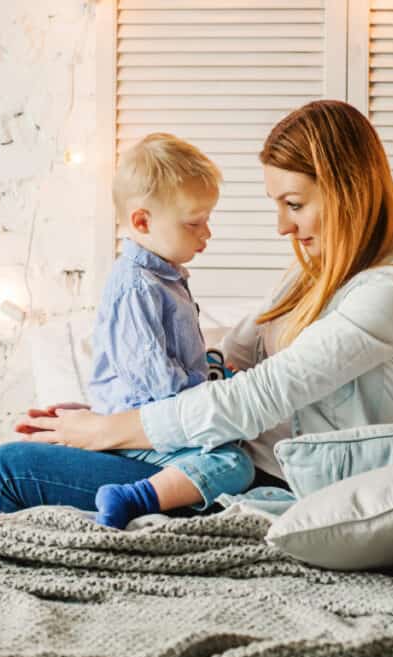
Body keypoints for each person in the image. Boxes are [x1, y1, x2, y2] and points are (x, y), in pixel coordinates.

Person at [0, 99, 393, 519]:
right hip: (215, 450)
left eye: (294, 204)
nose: (282, 227)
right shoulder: (319, 268)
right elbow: (227, 357)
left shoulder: (390, 293)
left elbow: (257, 395)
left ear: (347, 191)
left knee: (3, 470)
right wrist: (113, 408)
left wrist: (108, 431)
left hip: (261, 478)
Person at [83, 132, 254, 528]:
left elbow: (181, 361)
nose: (206, 234)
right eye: (195, 223)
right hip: (137, 432)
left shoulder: (166, 279)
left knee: (236, 454)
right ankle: (130, 498)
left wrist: (217, 374)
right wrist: (211, 405)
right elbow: (155, 383)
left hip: (164, 418)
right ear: (142, 221)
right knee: (232, 463)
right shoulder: (137, 286)